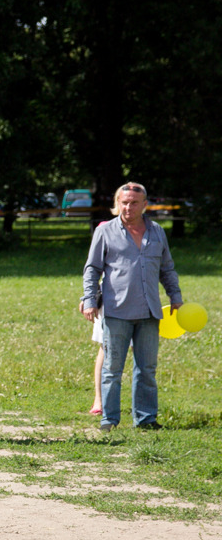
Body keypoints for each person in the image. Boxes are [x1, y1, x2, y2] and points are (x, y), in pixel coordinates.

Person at [80, 181, 182, 432]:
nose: (128, 206)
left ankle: (146, 419)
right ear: (117, 204)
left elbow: (166, 268)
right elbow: (92, 269)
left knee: (146, 369)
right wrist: (90, 300)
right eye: (124, 202)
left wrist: (175, 296)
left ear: (145, 205)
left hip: (150, 311)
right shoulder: (105, 232)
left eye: (134, 202)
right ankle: (109, 419)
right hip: (117, 310)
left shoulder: (157, 231)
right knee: (112, 368)